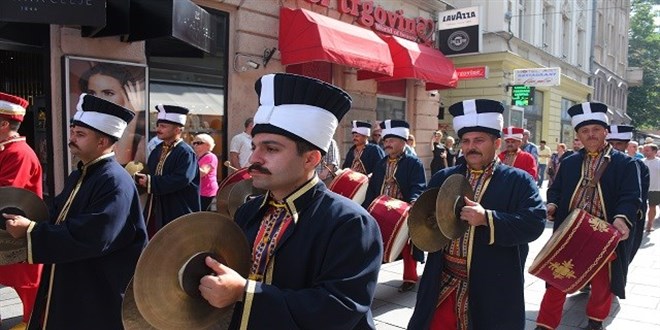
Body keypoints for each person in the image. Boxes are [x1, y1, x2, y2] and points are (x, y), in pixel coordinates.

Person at [197, 73, 383, 329]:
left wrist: (245, 293)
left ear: (311, 159)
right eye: (254, 146)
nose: (253, 159)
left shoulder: (351, 223)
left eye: (271, 149)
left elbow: (340, 309)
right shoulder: (248, 211)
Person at [3, 94, 148, 329]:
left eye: (80, 135)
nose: (71, 139)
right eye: (73, 132)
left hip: (97, 286)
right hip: (76, 277)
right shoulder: (81, 173)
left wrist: (32, 231)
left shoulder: (114, 181)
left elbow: (93, 236)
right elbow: (58, 215)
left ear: (102, 142)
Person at [408, 99, 546, 330]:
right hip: (443, 279)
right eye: (466, 141)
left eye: (479, 140)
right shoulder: (443, 177)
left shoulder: (519, 181)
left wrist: (487, 219)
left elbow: (535, 223)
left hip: (493, 283)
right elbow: (426, 218)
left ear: (497, 143)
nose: (471, 146)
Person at [535, 102, 641, 330]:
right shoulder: (569, 161)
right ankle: (545, 324)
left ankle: (595, 323)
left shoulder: (626, 163)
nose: (590, 135)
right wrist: (552, 204)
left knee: (602, 283)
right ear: (578, 135)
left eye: (595, 130)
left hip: (603, 233)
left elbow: (631, 196)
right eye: (585, 131)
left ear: (605, 132)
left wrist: (622, 217)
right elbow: (555, 189)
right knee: (556, 280)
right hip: (569, 232)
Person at [362, 119, 426, 292]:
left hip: (403, 210)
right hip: (381, 208)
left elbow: (418, 185)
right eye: (386, 140)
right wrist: (367, 208)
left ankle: (410, 278)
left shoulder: (414, 163)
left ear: (403, 142)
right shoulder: (381, 163)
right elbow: (374, 187)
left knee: (407, 245)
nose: (387, 144)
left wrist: (413, 201)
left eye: (391, 141)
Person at [0, 93, 43, 330]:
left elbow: (6, 193)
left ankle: (29, 323)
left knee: (24, 286)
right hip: (6, 233)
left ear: (5, 124)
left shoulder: (18, 153)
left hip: (16, 235)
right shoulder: (6, 150)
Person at [135, 104, 200, 238]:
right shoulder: (157, 149)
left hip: (177, 207)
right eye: (158, 125)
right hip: (158, 207)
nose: (158, 129)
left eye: (163, 126)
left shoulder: (186, 152)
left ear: (177, 130)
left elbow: (182, 179)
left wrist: (151, 181)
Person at [78, 62, 146, 166]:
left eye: (108, 93)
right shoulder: (81, 132)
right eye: (92, 93)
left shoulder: (141, 143)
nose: (98, 99)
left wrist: (132, 121)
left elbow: (117, 167)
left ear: (128, 97)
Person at [606, 124, 649, 261]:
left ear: (626, 145)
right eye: (610, 143)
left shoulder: (637, 165)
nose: (614, 147)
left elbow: (639, 197)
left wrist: (626, 216)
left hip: (622, 221)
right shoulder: (596, 163)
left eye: (619, 143)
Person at [192, 133, 219, 211]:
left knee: (204, 216)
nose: (195, 145)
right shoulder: (196, 157)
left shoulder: (210, 157)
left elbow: (203, 172)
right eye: (194, 143)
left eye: (199, 143)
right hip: (199, 191)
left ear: (208, 145)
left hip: (207, 192)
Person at [642, 143, 659, 233]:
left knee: (652, 207)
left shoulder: (659, 162)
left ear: (654, 151)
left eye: (647, 150)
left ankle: (649, 224)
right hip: (642, 188)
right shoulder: (641, 161)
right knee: (640, 207)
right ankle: (640, 223)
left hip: (655, 188)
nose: (645, 152)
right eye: (644, 150)